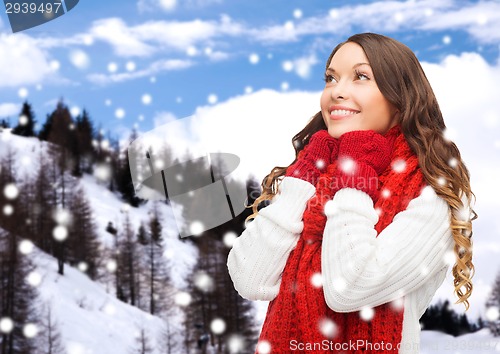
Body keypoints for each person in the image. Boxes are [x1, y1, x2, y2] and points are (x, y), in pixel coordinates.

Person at [227, 32, 476, 354]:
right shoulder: (315, 176)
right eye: (331, 78)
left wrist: (355, 176)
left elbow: (350, 288)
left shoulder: (432, 191)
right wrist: (301, 180)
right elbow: (250, 279)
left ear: (400, 96)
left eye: (360, 77)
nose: (337, 91)